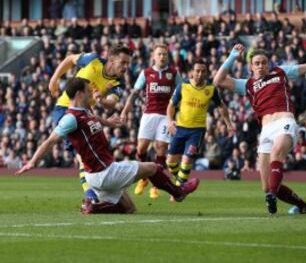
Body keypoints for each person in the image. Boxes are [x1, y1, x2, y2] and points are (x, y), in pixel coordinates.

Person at [15, 78, 199, 214]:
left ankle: (94, 207)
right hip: (103, 171)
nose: (90, 94)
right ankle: (178, 191)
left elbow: (95, 120)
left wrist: (110, 122)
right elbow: (50, 141)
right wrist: (32, 162)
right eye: (87, 91)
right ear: (79, 94)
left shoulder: (86, 112)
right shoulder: (70, 118)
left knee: (129, 209)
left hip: (98, 174)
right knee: (152, 167)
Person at [214, 39, 306, 215]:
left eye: (263, 63)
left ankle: (272, 198)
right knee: (266, 186)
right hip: (266, 130)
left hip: (285, 121)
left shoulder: (281, 72)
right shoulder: (247, 85)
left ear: (268, 64)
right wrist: (232, 56)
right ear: (251, 67)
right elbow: (218, 80)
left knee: (277, 154)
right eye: (256, 63)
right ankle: (302, 206)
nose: (261, 66)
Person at [48, 44, 132, 203]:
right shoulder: (93, 60)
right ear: (112, 60)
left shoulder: (117, 84)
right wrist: (54, 79)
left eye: (128, 63)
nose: (126, 67)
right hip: (65, 108)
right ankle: (90, 194)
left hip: (85, 114)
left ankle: (101, 193)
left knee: (95, 151)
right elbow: (70, 59)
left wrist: (101, 99)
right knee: (82, 152)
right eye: (123, 62)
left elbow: (111, 103)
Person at [120, 44, 181, 199]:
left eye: (165, 54)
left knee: (161, 148)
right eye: (159, 54)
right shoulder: (146, 73)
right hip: (148, 115)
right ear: (153, 56)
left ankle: (155, 185)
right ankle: (144, 177)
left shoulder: (174, 73)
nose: (162, 57)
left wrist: (178, 115)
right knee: (141, 148)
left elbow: (182, 93)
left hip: (165, 116)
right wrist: (125, 110)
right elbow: (134, 93)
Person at [167, 59, 233, 189]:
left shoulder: (211, 89)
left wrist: (228, 124)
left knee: (186, 160)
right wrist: (169, 120)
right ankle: (182, 181)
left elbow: (221, 106)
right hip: (179, 128)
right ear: (192, 72)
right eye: (197, 71)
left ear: (207, 73)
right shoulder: (183, 86)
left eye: (203, 71)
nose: (200, 74)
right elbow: (171, 105)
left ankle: (179, 191)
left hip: (197, 131)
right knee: (170, 162)